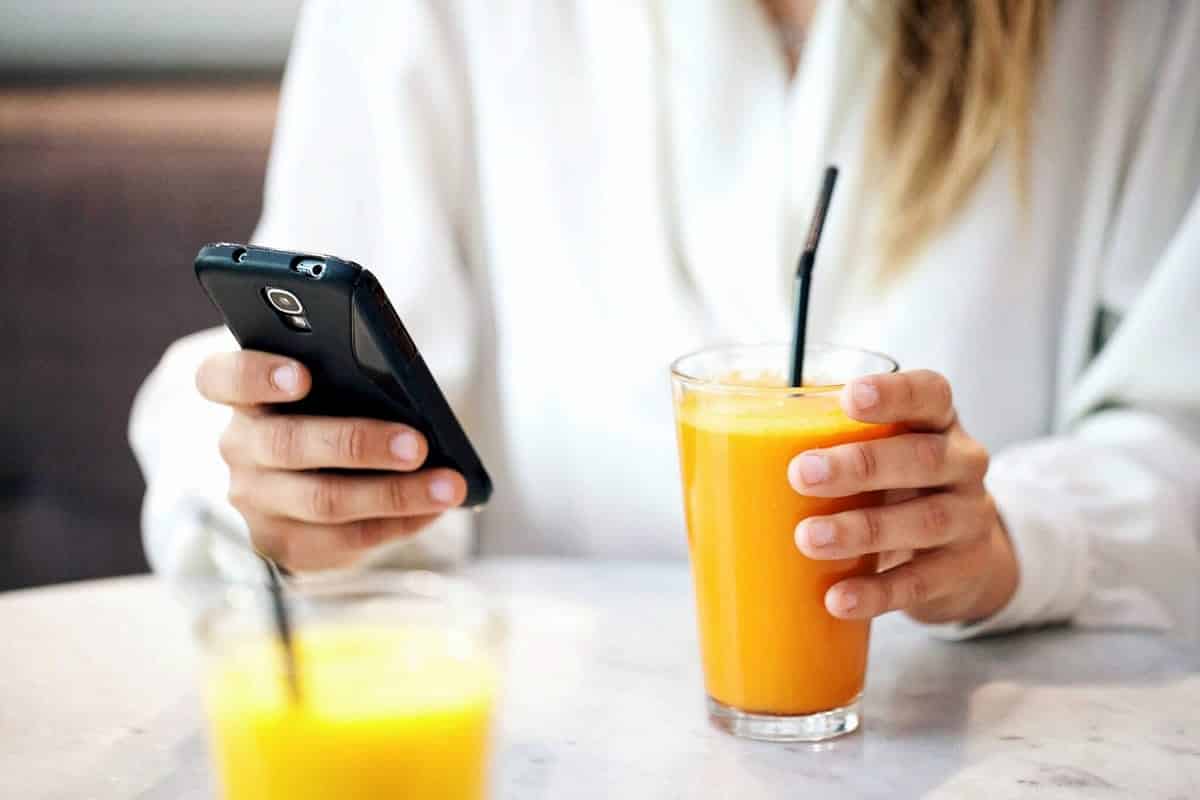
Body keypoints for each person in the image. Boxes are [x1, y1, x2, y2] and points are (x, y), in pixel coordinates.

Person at [130, 0, 1200, 638]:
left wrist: (1019, 538)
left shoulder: (1133, 29)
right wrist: (282, 488)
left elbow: (1180, 436)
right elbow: (296, 391)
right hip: (538, 741)